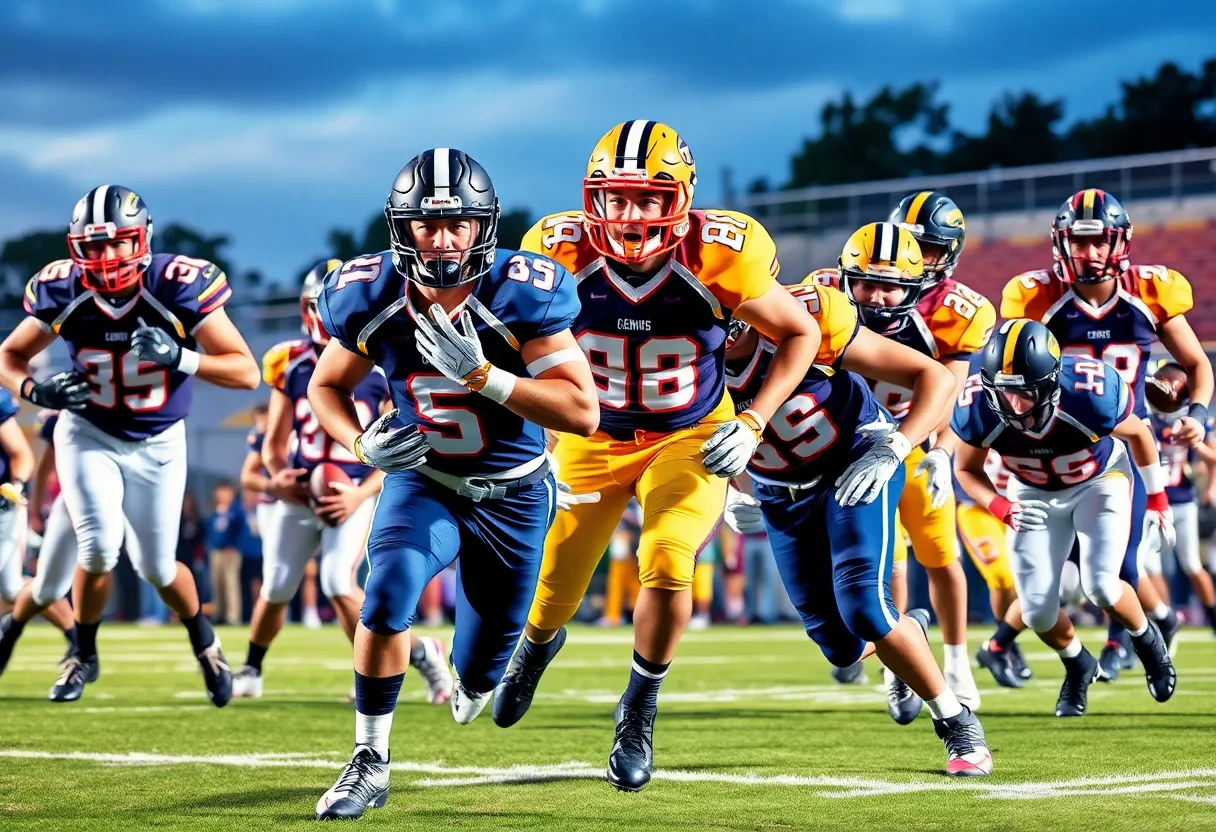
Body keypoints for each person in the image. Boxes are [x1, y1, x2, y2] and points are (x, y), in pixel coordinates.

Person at [495, 120, 820, 793]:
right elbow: (516, 346)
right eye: (615, 197)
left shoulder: (720, 253)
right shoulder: (556, 249)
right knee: (554, 583)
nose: (630, 213)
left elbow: (800, 332)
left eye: (648, 197)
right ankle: (536, 647)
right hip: (593, 438)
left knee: (668, 561)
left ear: (682, 196)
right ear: (594, 197)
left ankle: (638, 706)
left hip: (689, 434)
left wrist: (756, 420)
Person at [309, 148, 597, 820]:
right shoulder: (371, 296)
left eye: (457, 225)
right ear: (401, 228)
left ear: (482, 227)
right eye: (427, 225)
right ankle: (369, 760)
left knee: (478, 677)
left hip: (515, 493)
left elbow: (583, 412)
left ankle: (518, 650)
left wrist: (488, 379)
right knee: (383, 596)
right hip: (426, 481)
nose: (441, 240)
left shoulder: (522, 292)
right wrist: (359, 441)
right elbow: (327, 385)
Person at [722, 228, 991, 775]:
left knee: (866, 609)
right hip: (780, 492)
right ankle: (909, 631)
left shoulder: (811, 317)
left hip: (853, 465)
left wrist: (897, 445)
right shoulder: (681, 358)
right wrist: (730, 489)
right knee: (842, 648)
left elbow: (933, 375)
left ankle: (956, 721)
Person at [0, 185, 259, 704]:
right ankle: (82, 654)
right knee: (98, 547)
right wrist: (35, 391)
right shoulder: (62, 290)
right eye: (94, 246)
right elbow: (9, 356)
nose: (107, 256)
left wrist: (180, 357)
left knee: (159, 568)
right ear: (77, 248)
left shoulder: (176, 286)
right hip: (88, 432)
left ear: (142, 239)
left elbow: (246, 372)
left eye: (118, 243)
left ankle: (204, 642)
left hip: (159, 439)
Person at [999, 189, 1212, 679]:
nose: (1089, 253)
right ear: (1061, 243)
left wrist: (1196, 412)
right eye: (1079, 241)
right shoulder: (1036, 295)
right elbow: (1013, 363)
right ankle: (1149, 624)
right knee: (1074, 572)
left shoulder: (1151, 291)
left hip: (1124, 446)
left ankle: (1125, 642)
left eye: (1099, 242)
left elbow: (1195, 363)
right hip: (1057, 445)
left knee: (1118, 562)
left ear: (1119, 243)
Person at [231, 260, 452, 705]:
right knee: (276, 584)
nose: (326, 317)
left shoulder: (386, 353)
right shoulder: (289, 361)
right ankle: (252, 668)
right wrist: (277, 480)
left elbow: (407, 438)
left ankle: (405, 660)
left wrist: (359, 493)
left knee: (336, 580)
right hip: (301, 488)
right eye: (318, 306)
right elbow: (275, 441)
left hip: (354, 485)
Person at [814, 194, 987, 708]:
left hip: (909, 441)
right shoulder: (838, 288)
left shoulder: (955, 313)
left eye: (929, 249)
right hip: (850, 446)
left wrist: (942, 449)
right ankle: (897, 659)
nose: (916, 256)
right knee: (885, 562)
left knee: (940, 554)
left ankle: (955, 661)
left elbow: (949, 391)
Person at [953, 320, 1177, 717]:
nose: (1015, 405)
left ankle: (1148, 643)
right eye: (1003, 393)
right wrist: (1000, 506)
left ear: (1051, 382)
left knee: (1103, 587)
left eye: (1024, 392)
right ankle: (1077, 663)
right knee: (1037, 610)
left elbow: (1140, 435)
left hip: (1099, 480)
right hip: (1030, 492)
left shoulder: (1088, 396)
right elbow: (966, 470)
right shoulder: (978, 409)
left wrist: (1158, 498)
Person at [1141, 360, 1216, 631]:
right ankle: (1164, 621)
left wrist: (1193, 440)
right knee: (1148, 567)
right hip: (1151, 500)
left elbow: (1212, 457)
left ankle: (1212, 618)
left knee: (1191, 563)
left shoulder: (1191, 418)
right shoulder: (1143, 416)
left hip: (1182, 500)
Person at [206, 481, 245, 626]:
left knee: (230, 583)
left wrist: (235, 546)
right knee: (216, 584)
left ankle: (232, 616)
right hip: (216, 551)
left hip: (231, 552)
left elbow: (242, 531)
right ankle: (218, 614)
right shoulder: (214, 511)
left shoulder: (236, 510)